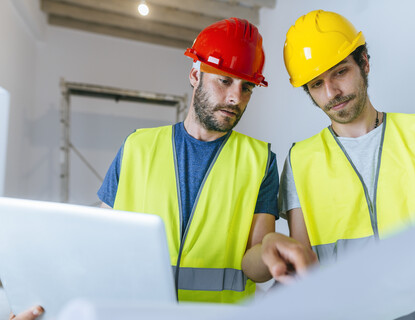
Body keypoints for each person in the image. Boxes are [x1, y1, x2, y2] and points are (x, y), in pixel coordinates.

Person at [9, 17, 282, 319]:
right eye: (225, 80)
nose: (235, 97)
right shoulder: (137, 147)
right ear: (195, 74)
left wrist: (273, 248)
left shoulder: (260, 160)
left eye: (248, 88)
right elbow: (95, 245)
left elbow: (255, 265)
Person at [275, 9, 415, 320]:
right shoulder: (301, 160)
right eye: (317, 84)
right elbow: (302, 267)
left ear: (364, 63)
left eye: (340, 72)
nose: (331, 92)